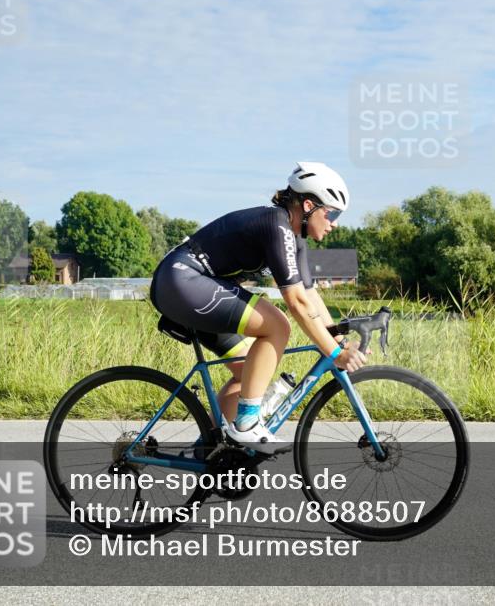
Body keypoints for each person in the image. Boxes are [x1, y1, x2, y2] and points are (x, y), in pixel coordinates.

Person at [148, 162, 366, 453]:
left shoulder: (294, 239)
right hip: (182, 280)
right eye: (333, 213)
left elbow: (312, 298)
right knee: (278, 326)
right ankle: (247, 425)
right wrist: (335, 353)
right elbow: (297, 303)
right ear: (310, 205)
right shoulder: (276, 226)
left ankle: (209, 452)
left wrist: (341, 342)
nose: (335, 223)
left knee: (248, 373)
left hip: (191, 286)